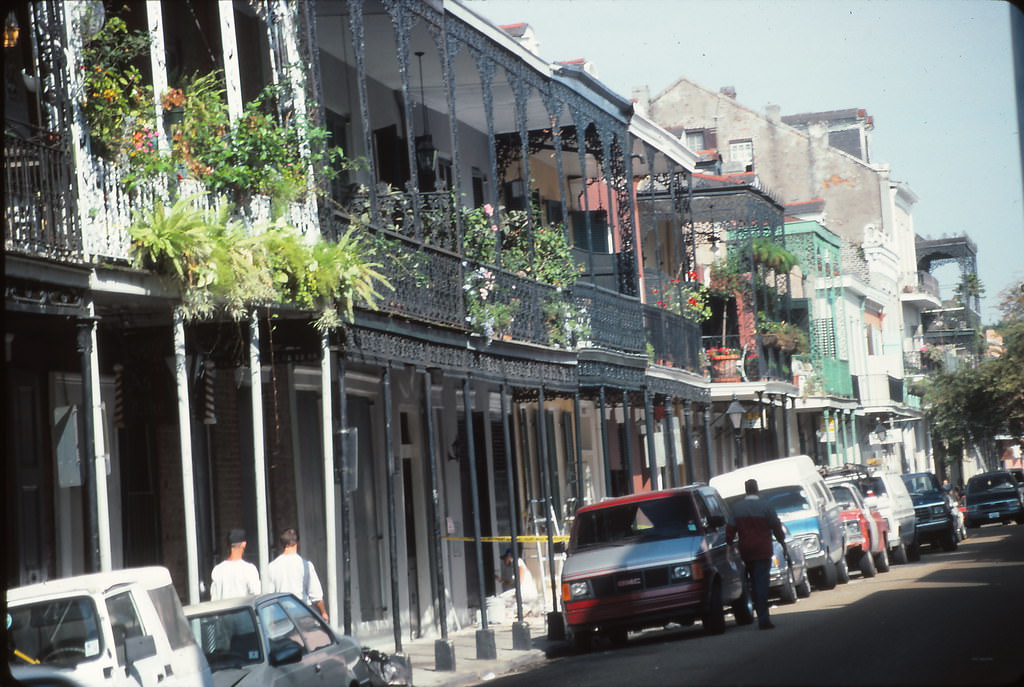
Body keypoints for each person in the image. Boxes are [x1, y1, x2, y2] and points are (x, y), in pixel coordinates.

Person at [726, 479, 788, 630]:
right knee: (761, 583)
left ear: (746, 490)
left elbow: (730, 530)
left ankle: (753, 610)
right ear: (757, 489)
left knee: (751, 582)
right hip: (763, 550)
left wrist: (729, 546)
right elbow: (776, 527)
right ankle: (763, 618)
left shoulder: (737, 508)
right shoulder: (766, 506)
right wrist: (782, 542)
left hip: (746, 550)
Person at [265, 528, 328, 621]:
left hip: (281, 612)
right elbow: (316, 595)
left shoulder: (271, 567)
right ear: (297, 542)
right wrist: (323, 613)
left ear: (282, 543)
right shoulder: (305, 565)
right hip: (302, 611)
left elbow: (268, 597)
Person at [210, 529, 260, 601]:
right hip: (243, 611)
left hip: (223, 611)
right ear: (244, 544)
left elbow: (214, 599)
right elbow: (256, 596)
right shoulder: (249, 569)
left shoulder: (217, 570)